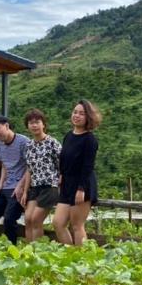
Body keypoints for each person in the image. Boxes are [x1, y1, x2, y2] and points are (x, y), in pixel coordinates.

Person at [53, 100, 101, 245]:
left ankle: (82, 260)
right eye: (75, 112)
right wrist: (61, 175)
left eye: (82, 113)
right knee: (58, 223)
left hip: (82, 185)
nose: (77, 116)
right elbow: (64, 159)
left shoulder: (90, 140)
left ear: (88, 117)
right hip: (67, 184)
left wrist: (81, 189)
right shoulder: (69, 136)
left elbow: (87, 166)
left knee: (77, 226)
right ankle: (71, 255)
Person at [0, 116, 31, 244]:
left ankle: (12, 248)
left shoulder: (24, 142)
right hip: (5, 186)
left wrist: (20, 186)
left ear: (7, 126)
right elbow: (4, 165)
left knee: (9, 219)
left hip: (19, 187)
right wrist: (0, 184)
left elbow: (30, 166)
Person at [19, 109, 61, 242]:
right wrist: (25, 191)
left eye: (37, 122)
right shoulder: (29, 145)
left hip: (49, 186)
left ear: (44, 124)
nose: (34, 125)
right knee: (28, 219)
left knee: (36, 219)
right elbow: (29, 169)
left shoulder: (52, 143)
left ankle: (38, 252)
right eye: (31, 123)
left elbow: (64, 163)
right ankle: (28, 252)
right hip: (35, 187)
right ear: (27, 126)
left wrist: (61, 180)